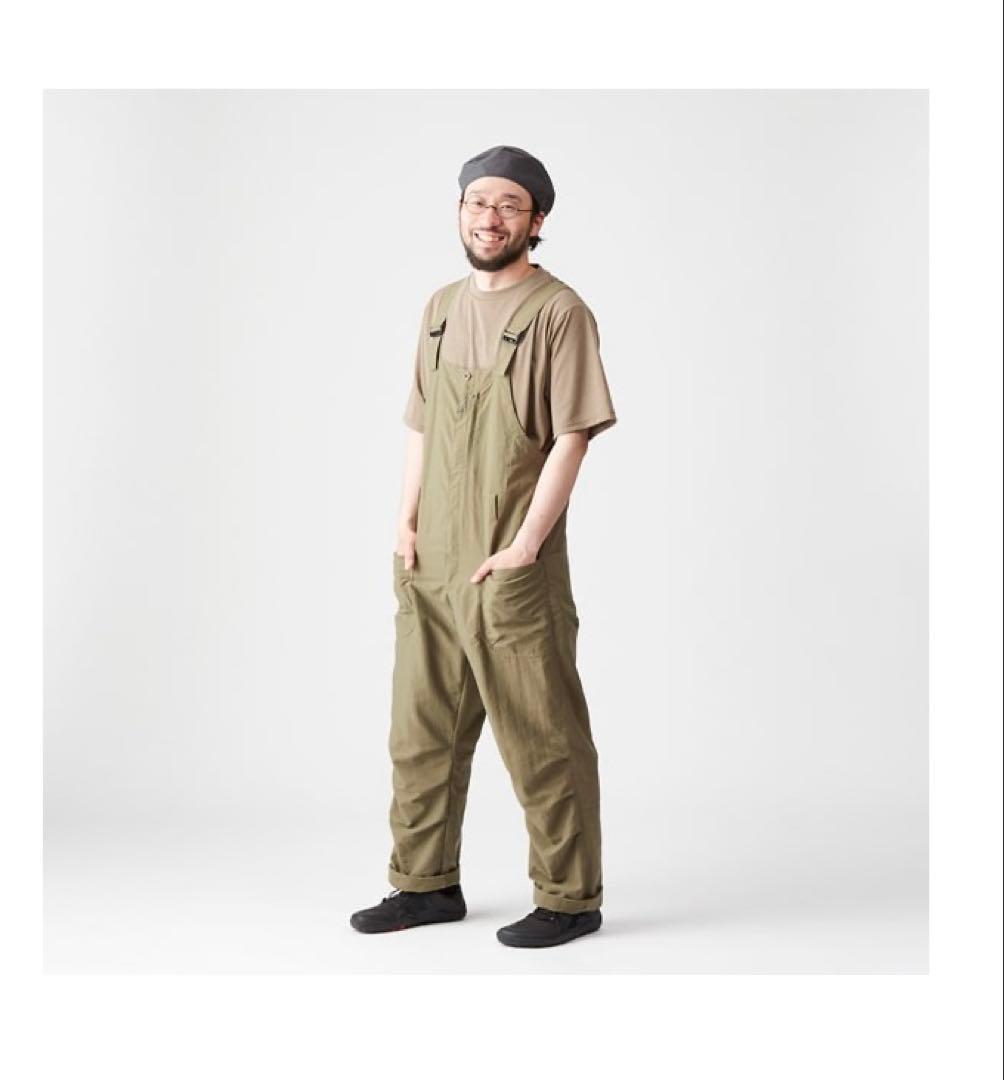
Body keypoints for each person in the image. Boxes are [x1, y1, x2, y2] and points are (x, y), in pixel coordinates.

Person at [349, 145, 617, 948]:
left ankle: (570, 899)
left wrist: (527, 546)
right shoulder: (439, 307)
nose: (489, 218)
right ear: (460, 211)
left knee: (542, 738)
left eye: (508, 205)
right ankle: (424, 885)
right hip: (429, 560)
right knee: (420, 734)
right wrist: (405, 523)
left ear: (536, 221)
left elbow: (573, 437)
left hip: (510, 562)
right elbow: (421, 426)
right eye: (477, 202)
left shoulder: (560, 313)